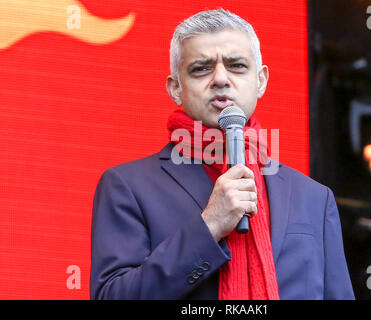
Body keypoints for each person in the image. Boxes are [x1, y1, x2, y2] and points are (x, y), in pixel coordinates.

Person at [90, 8, 354, 300]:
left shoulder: (314, 198)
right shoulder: (128, 186)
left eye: (237, 65)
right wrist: (209, 227)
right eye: (201, 68)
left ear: (261, 81)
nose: (220, 79)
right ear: (176, 88)